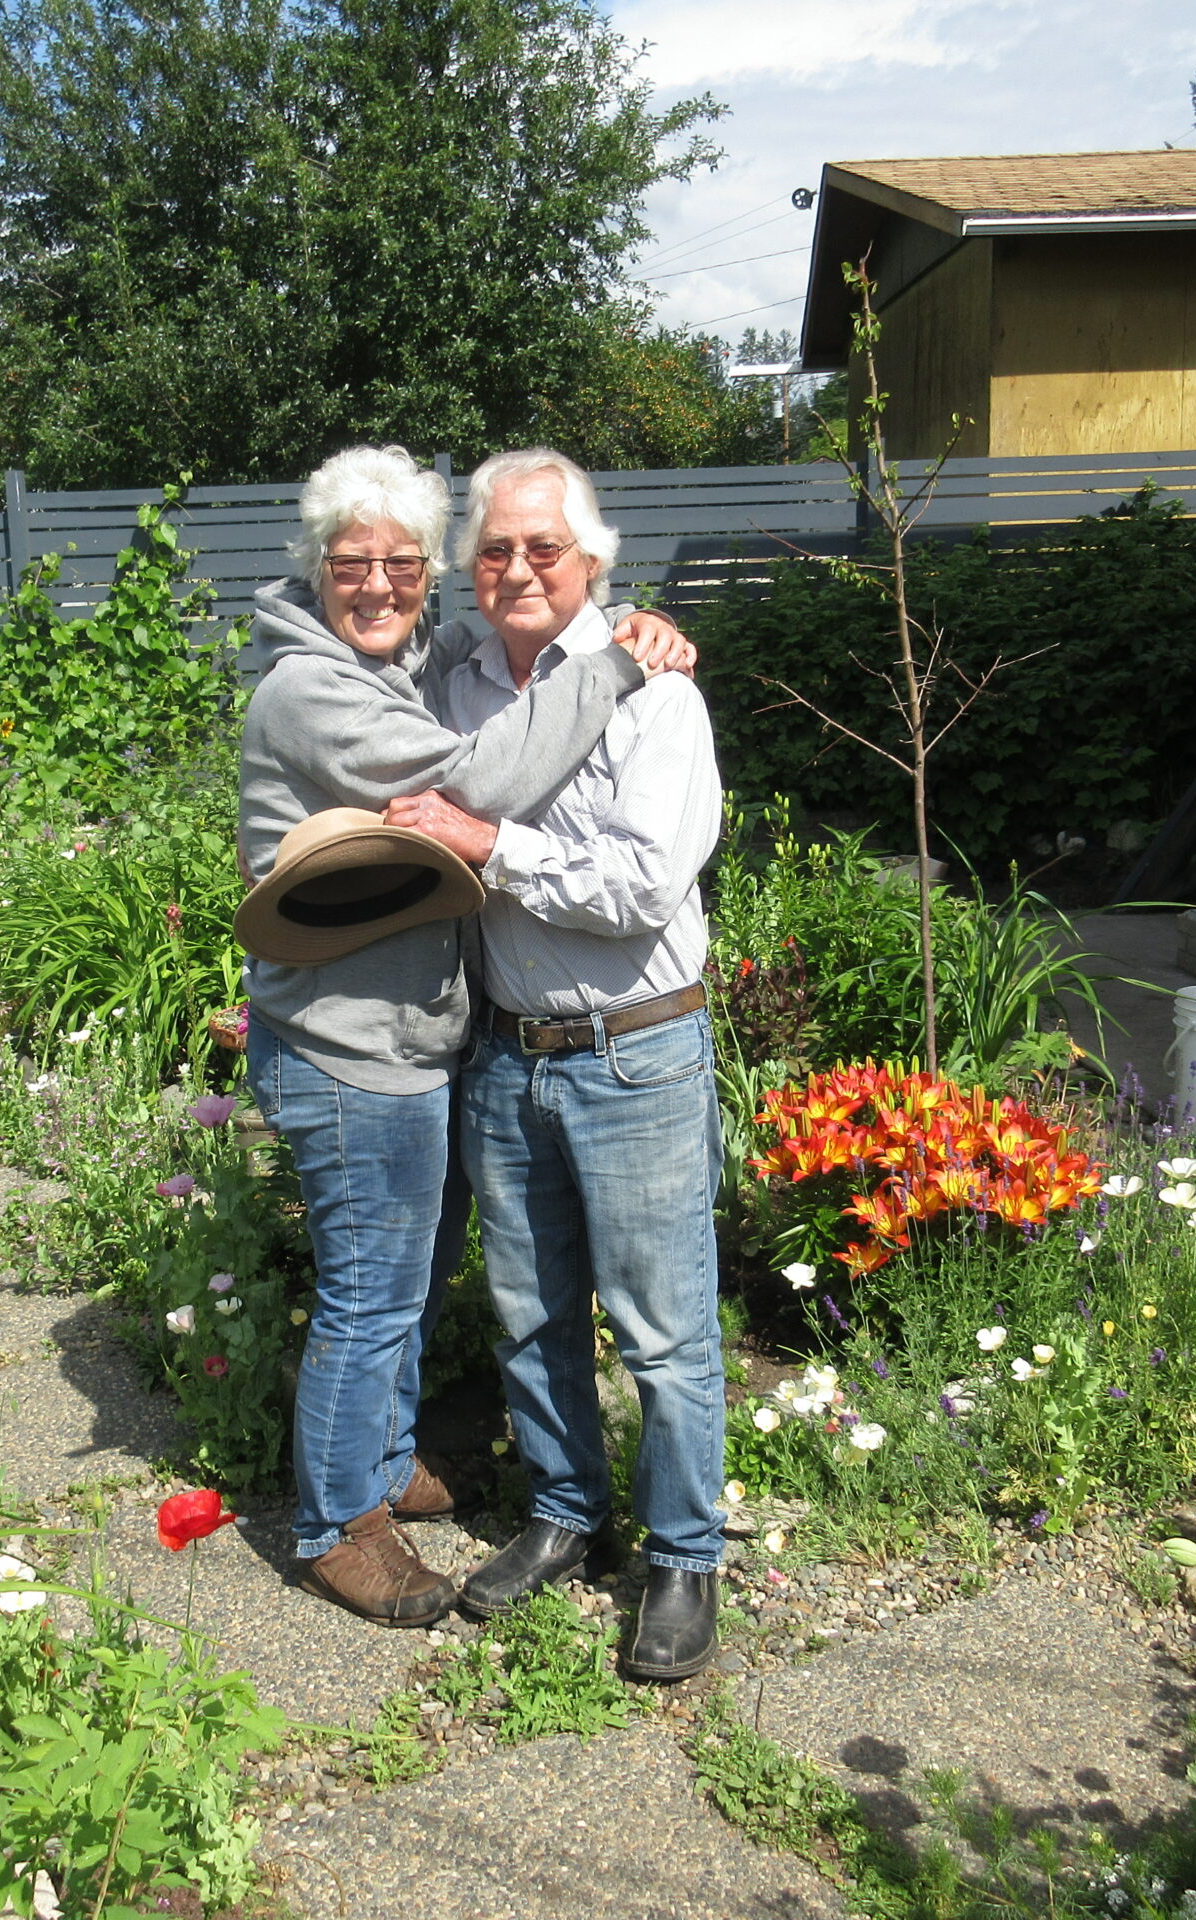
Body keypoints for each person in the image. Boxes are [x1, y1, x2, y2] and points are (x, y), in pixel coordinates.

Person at [235, 444, 691, 1627]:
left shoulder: (400, 660)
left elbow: (520, 625)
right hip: (349, 1048)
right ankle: (339, 1521)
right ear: (314, 567)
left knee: (407, 1283)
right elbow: (474, 784)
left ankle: (382, 1469)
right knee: (371, 1297)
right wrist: (610, 672)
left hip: (414, 1041)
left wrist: (617, 624)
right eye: (352, 564)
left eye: (401, 563)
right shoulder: (311, 691)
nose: (379, 585)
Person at [384, 447, 728, 1680]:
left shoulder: (653, 695)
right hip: (503, 1050)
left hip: (633, 1053)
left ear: (592, 560)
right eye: (494, 548)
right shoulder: (449, 684)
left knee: (662, 1327)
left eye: (543, 547)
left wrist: (491, 842)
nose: (517, 566)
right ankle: (566, 1519)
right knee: (530, 1319)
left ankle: (684, 1556)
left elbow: (642, 889)